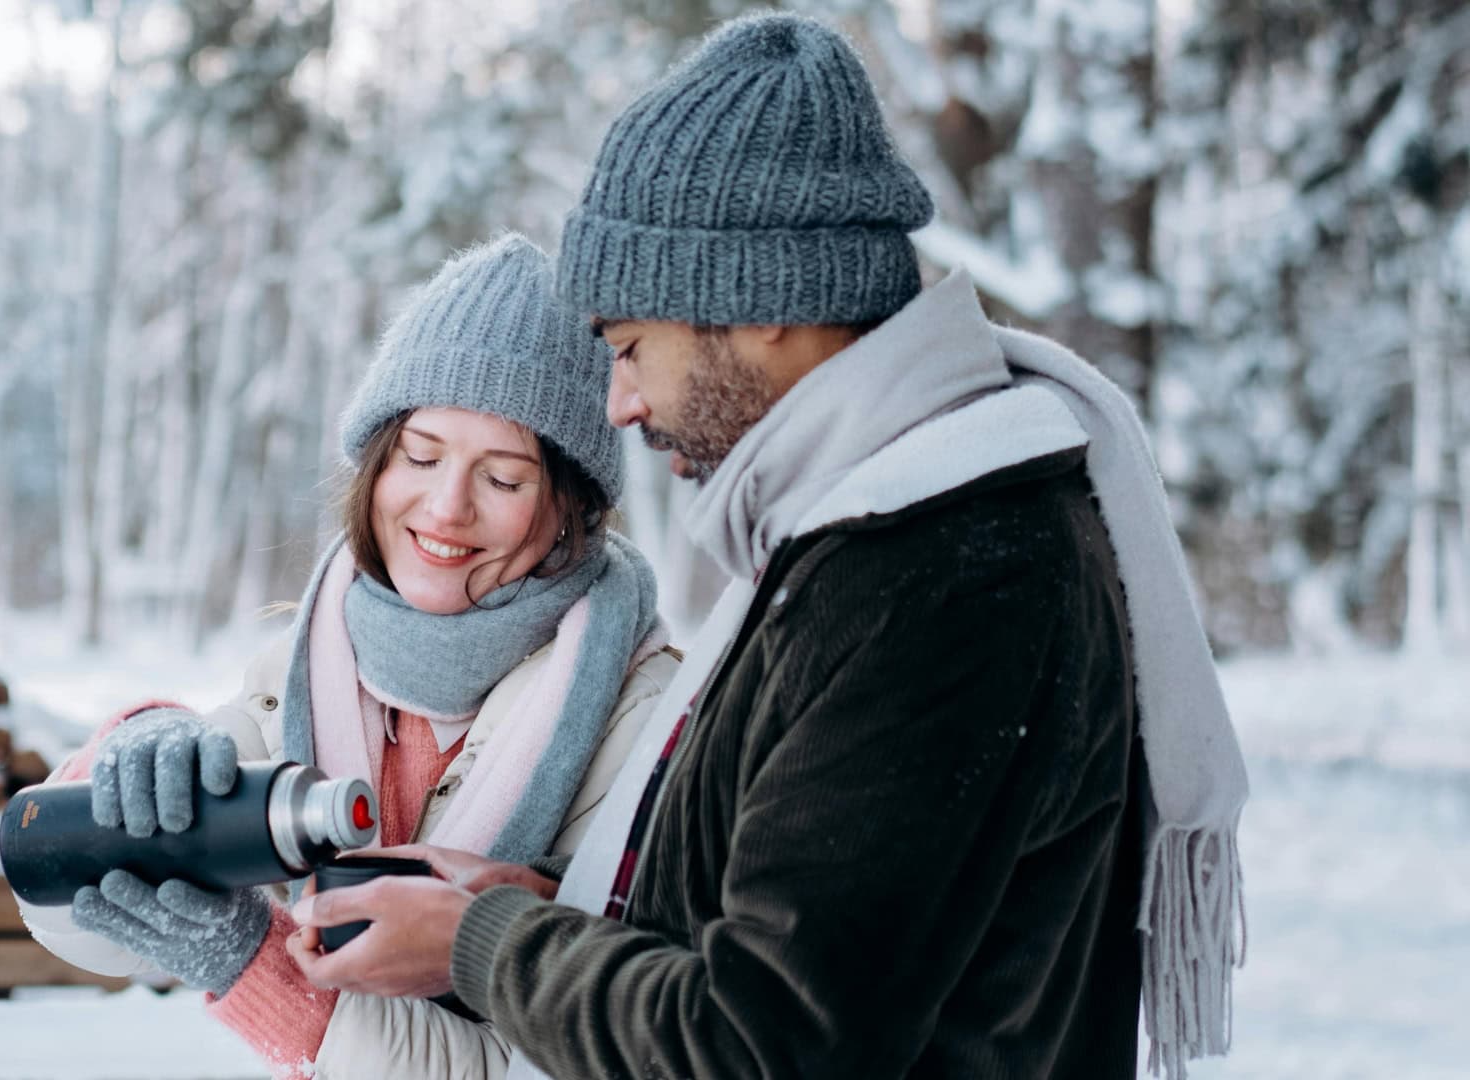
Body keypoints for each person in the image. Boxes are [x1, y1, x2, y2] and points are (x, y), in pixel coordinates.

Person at [283, 13, 1250, 1080]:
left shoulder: (942, 575)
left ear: (762, 310)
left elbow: (762, 1041)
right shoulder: (878, 532)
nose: (620, 403)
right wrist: (543, 905)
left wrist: (483, 947)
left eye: (632, 347)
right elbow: (804, 930)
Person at [16, 234, 680, 1078]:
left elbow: (541, 1061)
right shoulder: (311, 663)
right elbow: (67, 910)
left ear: (569, 511)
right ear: (376, 459)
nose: (446, 509)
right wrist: (129, 761)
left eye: (503, 479)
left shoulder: (642, 724)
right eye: (423, 454)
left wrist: (261, 969)